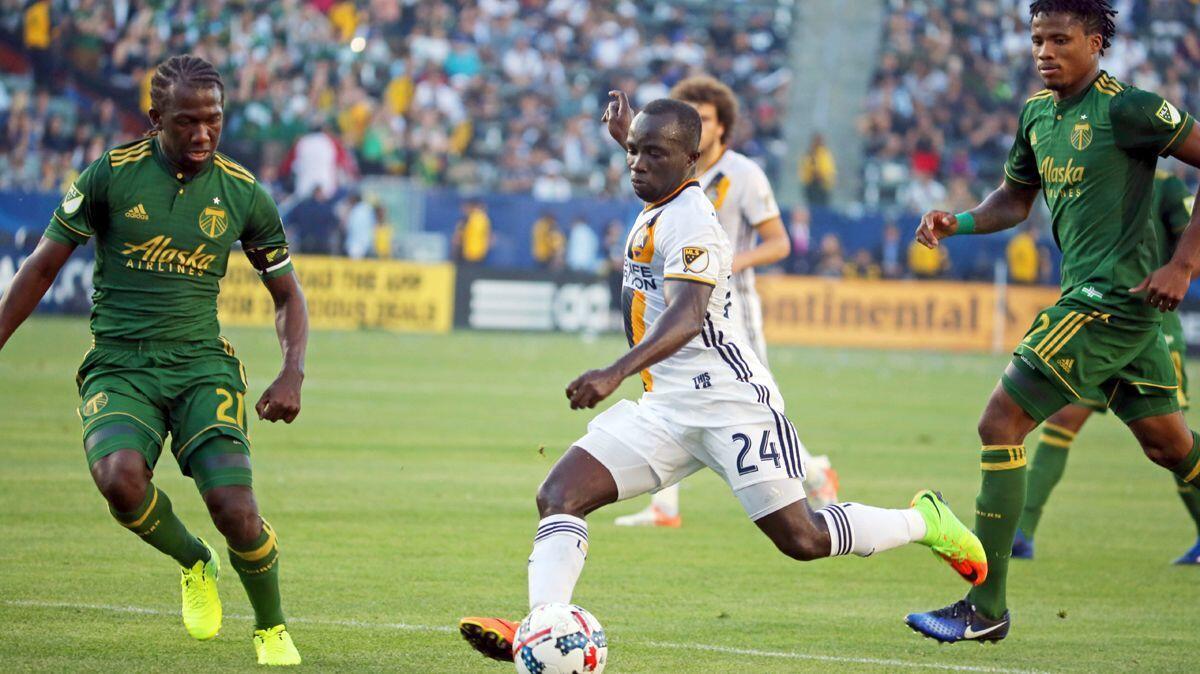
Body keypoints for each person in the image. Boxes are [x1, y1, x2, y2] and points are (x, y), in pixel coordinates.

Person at [458, 99, 986, 663]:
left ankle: (923, 520)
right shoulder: (662, 194)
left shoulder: (691, 220)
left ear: (690, 160)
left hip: (732, 405)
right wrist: (629, 136)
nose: (636, 163)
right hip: (665, 410)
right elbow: (653, 164)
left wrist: (615, 371)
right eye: (633, 152)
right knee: (559, 495)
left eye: (652, 153)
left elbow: (687, 316)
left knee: (802, 539)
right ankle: (543, 625)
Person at [906, 1, 1200, 644]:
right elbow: (1013, 200)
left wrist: (1184, 262)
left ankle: (985, 609)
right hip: (1119, 311)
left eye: (1060, 39)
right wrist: (959, 220)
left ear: (1096, 43)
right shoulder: (1037, 114)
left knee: (999, 421)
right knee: (1171, 447)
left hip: (1106, 301)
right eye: (1038, 39)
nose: (1045, 51)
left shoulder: (1130, 109)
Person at [0, 55, 306, 666]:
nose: (202, 135)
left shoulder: (243, 192)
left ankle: (271, 627)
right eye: (186, 122)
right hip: (120, 362)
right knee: (119, 481)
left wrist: (291, 369)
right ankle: (194, 560)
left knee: (238, 513)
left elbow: (287, 294)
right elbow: (40, 268)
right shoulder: (108, 177)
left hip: (200, 365)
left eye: (213, 121)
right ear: (154, 119)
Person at [602, 77, 838, 530]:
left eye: (707, 118)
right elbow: (652, 172)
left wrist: (725, 265)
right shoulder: (681, 172)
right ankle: (665, 506)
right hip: (680, 299)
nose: (700, 126)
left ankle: (813, 472)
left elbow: (779, 243)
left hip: (730, 310)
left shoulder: (743, 174)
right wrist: (631, 137)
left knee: (750, 409)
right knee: (673, 392)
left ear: (722, 126)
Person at [1013, 169, 1200, 565]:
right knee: (1061, 422)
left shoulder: (1165, 184)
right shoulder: (1099, 169)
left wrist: (1177, 270)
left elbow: (1192, 245)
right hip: (1095, 320)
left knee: (1171, 445)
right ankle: (1022, 533)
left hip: (1150, 325)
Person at [453, 199, 491, 265]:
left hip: (469, 252)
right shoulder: (484, 218)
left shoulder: (470, 219)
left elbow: (457, 238)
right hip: (478, 253)